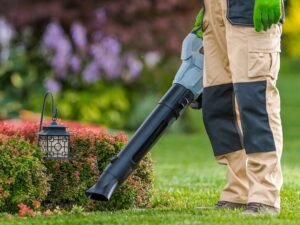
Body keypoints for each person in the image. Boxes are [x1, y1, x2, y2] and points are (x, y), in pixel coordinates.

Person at [193, 0, 284, 215]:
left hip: (249, 8)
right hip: (215, 11)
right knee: (219, 102)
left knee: (255, 102)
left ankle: (264, 195)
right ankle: (239, 191)